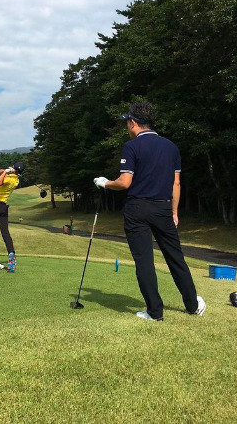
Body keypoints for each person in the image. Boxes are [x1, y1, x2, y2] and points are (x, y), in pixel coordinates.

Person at [93, 101, 205, 321]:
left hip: (137, 209)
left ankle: (155, 312)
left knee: (144, 261)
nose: (126, 125)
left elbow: (125, 183)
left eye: (127, 121)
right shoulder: (171, 147)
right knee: (176, 258)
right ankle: (192, 305)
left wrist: (105, 183)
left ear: (134, 122)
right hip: (163, 207)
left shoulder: (131, 146)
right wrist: (174, 212)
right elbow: (176, 185)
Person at [0, 161, 24, 270]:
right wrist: (7, 171)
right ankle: (11, 253)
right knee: (5, 232)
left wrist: (6, 172)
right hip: (3, 207)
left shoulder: (8, 178)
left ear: (14, 168)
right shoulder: (16, 180)